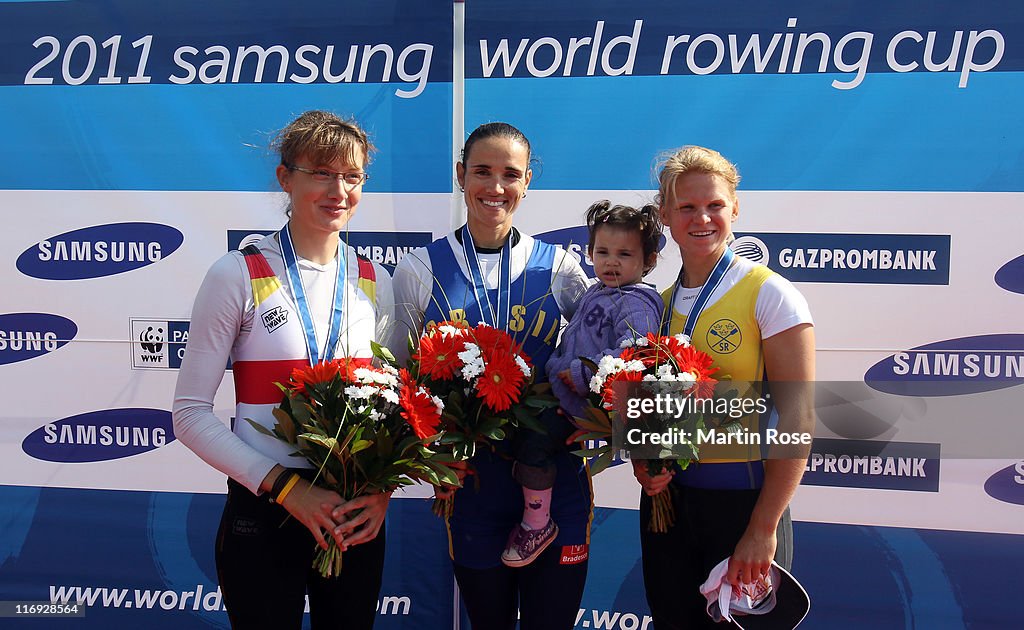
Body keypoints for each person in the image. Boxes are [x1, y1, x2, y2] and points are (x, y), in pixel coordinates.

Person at [172, 110, 395, 629]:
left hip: (352, 511)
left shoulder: (376, 280)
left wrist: (381, 492)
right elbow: (188, 415)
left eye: (352, 175)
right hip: (265, 508)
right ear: (285, 178)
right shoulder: (238, 272)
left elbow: (399, 409)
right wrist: (289, 490)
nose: (338, 189)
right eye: (321, 172)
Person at [390, 122, 591, 629]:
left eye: (510, 174)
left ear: (527, 183)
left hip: (556, 481)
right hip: (471, 485)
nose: (495, 187)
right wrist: (429, 455)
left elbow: (597, 361)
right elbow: (399, 379)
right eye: (482, 171)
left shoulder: (563, 269)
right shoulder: (420, 269)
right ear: (460, 175)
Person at [634, 146, 815, 629]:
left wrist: (763, 527)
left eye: (714, 205)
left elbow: (798, 419)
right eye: (687, 207)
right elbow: (641, 403)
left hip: (744, 507)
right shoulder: (656, 304)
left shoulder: (770, 293)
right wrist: (643, 462)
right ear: (665, 215)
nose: (702, 218)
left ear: (735, 208)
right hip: (667, 510)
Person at [509, 200, 663, 566]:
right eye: (602, 252)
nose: (611, 262)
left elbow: (633, 359)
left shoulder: (638, 304)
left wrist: (577, 374)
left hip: (581, 408)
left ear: (648, 262)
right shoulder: (597, 290)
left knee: (533, 443)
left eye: (624, 254)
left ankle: (537, 524)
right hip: (563, 397)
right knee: (518, 433)